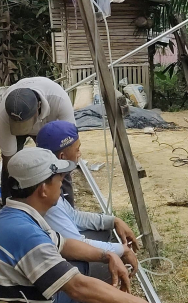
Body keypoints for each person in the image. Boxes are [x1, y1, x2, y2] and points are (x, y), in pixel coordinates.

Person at [0, 147, 146, 303]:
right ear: (43, 189)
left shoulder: (14, 216)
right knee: (91, 285)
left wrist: (108, 255)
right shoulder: (24, 233)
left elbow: (66, 244)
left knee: (85, 266)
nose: (62, 184)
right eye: (59, 178)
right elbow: (77, 287)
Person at [35, 120, 141, 303]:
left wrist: (113, 220)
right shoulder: (47, 201)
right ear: (62, 156)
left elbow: (74, 216)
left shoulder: (46, 183)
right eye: (77, 150)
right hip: (47, 288)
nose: (79, 154)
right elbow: (75, 244)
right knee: (101, 265)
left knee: (108, 235)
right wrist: (119, 251)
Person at [0, 77, 77, 205]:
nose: (24, 129)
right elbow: (9, 160)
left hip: (48, 125)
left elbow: (70, 143)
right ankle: (8, 207)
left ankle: (67, 207)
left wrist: (60, 175)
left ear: (38, 107)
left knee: (60, 162)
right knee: (12, 168)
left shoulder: (59, 100)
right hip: (14, 125)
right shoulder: (3, 114)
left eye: (25, 124)